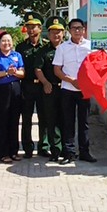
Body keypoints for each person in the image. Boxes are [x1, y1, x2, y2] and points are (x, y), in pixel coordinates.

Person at [53, 19, 96, 164]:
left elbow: (97, 67)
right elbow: (57, 70)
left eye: (79, 28)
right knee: (68, 122)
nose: (77, 31)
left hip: (85, 90)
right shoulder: (62, 48)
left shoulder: (91, 46)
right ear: (69, 30)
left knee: (84, 122)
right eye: (74, 28)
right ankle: (69, 153)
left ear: (84, 29)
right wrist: (72, 80)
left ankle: (85, 152)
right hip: (67, 89)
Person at [0, 32, 25, 164]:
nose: (6, 43)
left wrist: (16, 72)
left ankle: (14, 151)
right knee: (1, 121)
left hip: (15, 89)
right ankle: (3, 153)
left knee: (14, 121)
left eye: (9, 41)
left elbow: (22, 73)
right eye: (3, 41)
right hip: (0, 91)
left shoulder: (17, 55)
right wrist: (6, 73)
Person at [16, 12, 48, 158]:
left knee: (44, 116)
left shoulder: (46, 45)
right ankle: (27, 148)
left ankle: (43, 146)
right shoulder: (20, 47)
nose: (31, 30)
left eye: (34, 27)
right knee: (26, 117)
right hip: (27, 86)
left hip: (43, 85)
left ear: (40, 28)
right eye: (28, 27)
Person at [37, 16, 67, 162]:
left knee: (66, 119)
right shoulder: (44, 51)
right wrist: (45, 82)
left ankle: (67, 149)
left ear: (64, 33)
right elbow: (38, 69)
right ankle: (55, 150)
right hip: (51, 89)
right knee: (51, 120)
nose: (56, 35)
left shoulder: (68, 48)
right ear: (48, 34)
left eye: (59, 32)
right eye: (53, 32)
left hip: (67, 89)